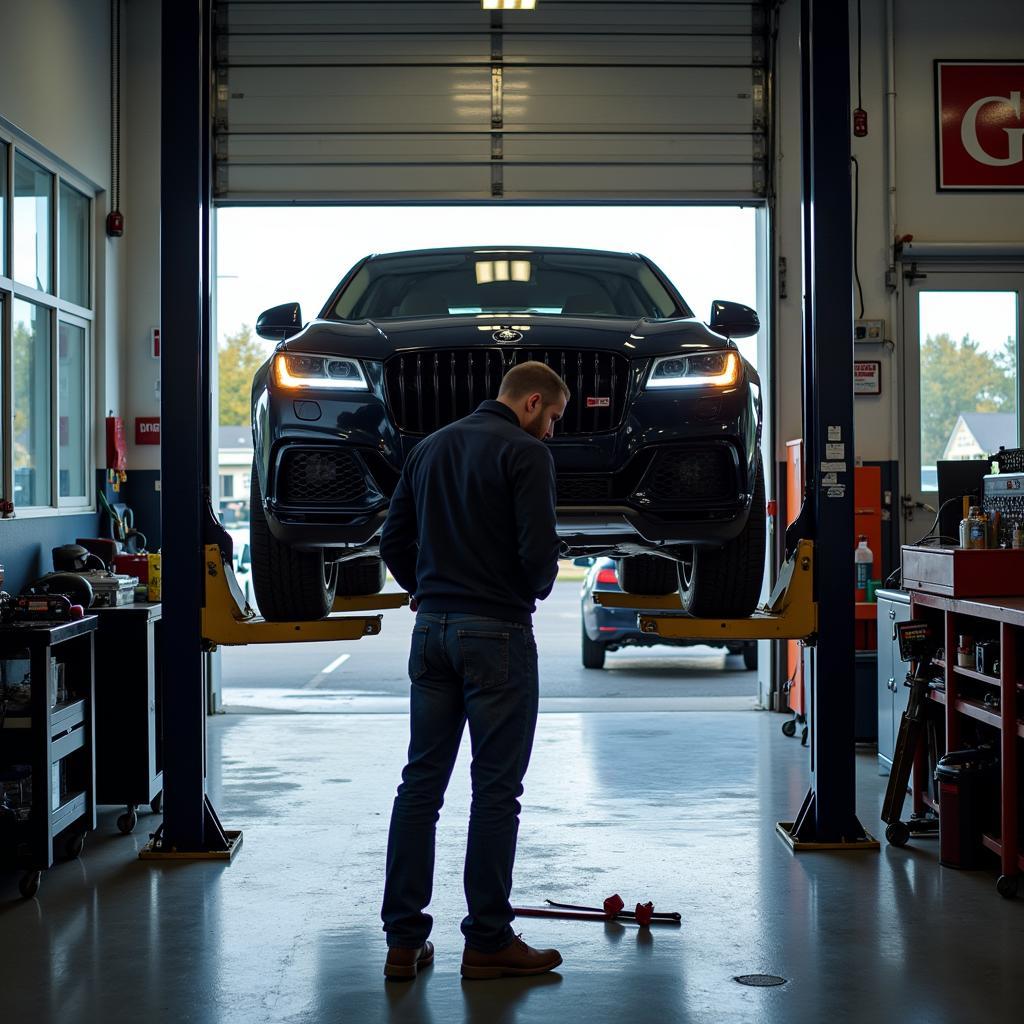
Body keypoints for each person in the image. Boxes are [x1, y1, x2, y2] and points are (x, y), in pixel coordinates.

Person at [378, 360, 569, 981]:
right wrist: (529, 590)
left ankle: (403, 942)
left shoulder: (429, 449)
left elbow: (392, 542)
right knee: (495, 793)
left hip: (430, 631)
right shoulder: (526, 454)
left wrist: (425, 592)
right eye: (553, 420)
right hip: (498, 636)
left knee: (420, 787)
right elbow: (539, 552)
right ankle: (487, 941)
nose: (551, 433)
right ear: (533, 401)